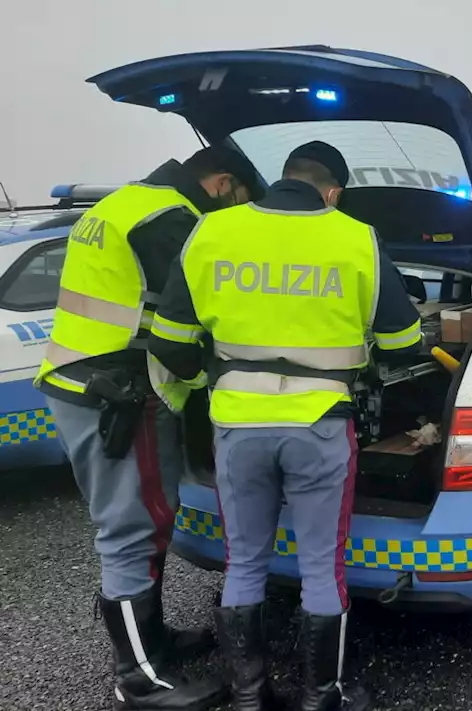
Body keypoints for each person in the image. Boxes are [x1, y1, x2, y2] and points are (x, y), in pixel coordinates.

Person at [149, 141, 424, 711]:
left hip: (237, 423)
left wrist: (216, 380)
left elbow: (170, 342)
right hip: (320, 423)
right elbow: (402, 343)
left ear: (283, 179)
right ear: (332, 191)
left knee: (244, 560)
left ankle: (251, 698)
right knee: (323, 565)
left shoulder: (213, 233)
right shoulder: (355, 237)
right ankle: (321, 696)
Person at [34, 146, 261, 710]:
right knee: (130, 528)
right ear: (223, 184)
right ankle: (138, 676)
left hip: (83, 379)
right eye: (238, 206)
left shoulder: (124, 203)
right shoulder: (169, 219)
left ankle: (153, 640)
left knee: (146, 518)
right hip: (120, 391)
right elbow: (198, 312)